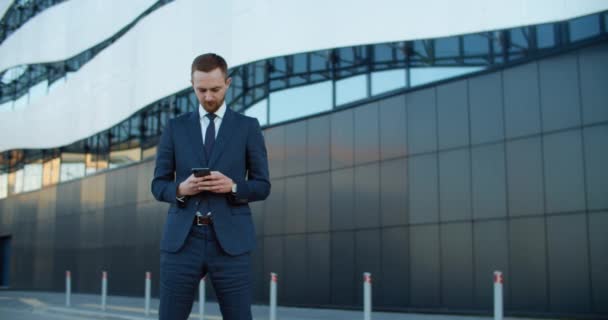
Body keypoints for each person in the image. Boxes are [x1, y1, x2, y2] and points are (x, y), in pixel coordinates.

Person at [151, 53, 270, 320]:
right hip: (182, 241)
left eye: (215, 89)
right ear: (191, 85)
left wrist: (234, 187)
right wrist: (181, 189)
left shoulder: (248, 127)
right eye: (200, 89)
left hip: (231, 242)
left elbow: (263, 186)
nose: (207, 97)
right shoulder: (175, 128)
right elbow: (158, 185)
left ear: (228, 83)